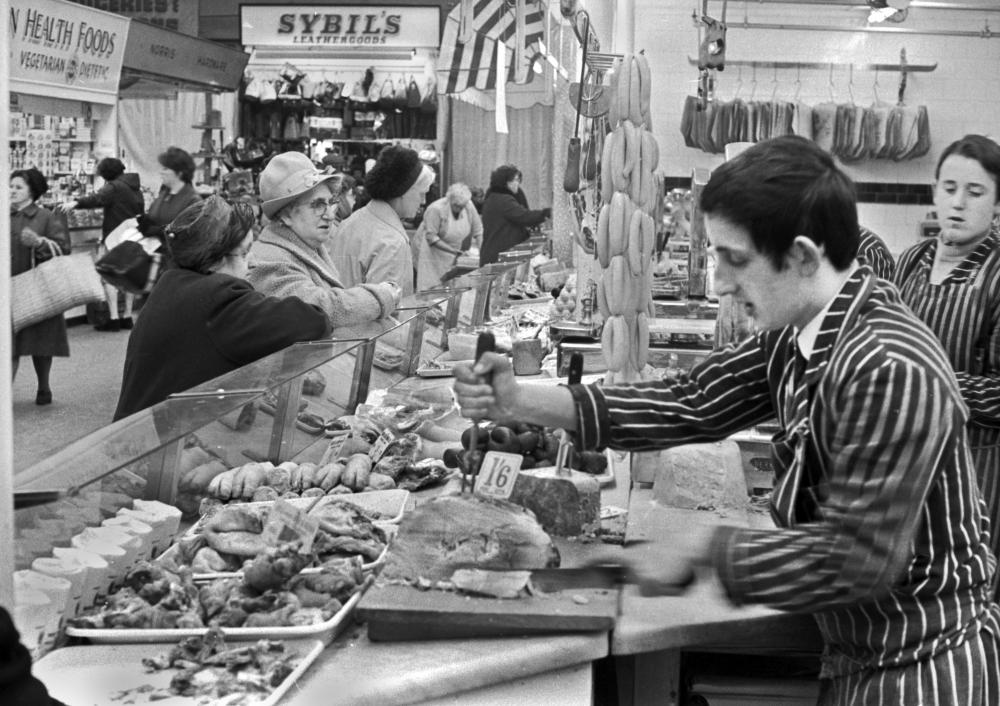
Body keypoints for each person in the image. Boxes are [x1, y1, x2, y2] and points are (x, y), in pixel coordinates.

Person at [454, 136, 1000, 703]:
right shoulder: (802, 331)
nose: (718, 282)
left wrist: (700, 557)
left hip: (922, 669)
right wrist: (517, 400)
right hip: (861, 650)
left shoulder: (886, 364)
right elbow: (693, 400)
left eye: (734, 259)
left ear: (803, 257)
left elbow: (855, 558)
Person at [113, 195, 330, 420]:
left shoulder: (173, 282)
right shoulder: (220, 299)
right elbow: (314, 322)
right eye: (245, 253)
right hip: (159, 442)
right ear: (213, 259)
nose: (254, 262)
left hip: (137, 429)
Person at [892, 134, 1000, 573]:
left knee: (960, 598)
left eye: (975, 192)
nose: (958, 202)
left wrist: (931, 388)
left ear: (996, 205)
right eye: (949, 188)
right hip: (901, 465)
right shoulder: (911, 262)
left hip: (973, 471)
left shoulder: (994, 275)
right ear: (935, 190)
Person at [246, 151, 401, 329]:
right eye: (318, 205)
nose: (329, 215)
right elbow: (318, 310)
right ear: (287, 214)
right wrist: (381, 296)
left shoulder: (306, 246)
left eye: (331, 202)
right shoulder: (270, 260)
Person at [329, 145, 435, 296]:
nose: (423, 201)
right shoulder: (391, 241)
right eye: (422, 193)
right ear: (404, 191)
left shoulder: (352, 221)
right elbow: (384, 311)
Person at [56, 157, 144, 331]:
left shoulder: (114, 187)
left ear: (106, 174)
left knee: (110, 277)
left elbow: (97, 198)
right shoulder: (136, 188)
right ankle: (127, 317)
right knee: (129, 277)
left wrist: (75, 202)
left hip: (115, 236)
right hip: (134, 236)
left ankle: (113, 319)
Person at [10, 168, 70, 406]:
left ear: (32, 191)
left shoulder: (46, 216)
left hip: (38, 286)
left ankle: (43, 385)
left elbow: (63, 248)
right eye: (11, 186)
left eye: (18, 187)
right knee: (9, 343)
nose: (12, 191)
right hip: (9, 287)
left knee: (41, 340)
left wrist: (39, 244)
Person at [137, 146, 202, 263]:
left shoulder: (193, 200)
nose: (161, 172)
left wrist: (159, 231)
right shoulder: (164, 194)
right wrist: (144, 222)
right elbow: (154, 217)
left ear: (180, 173)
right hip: (154, 258)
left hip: (176, 263)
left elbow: (190, 235)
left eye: (166, 168)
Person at [414, 183, 483, 291]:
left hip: (453, 252)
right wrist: (454, 251)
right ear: (449, 199)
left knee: (449, 287)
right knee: (430, 288)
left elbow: (478, 230)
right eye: (456, 206)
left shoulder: (468, 205)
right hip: (431, 252)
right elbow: (431, 238)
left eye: (462, 206)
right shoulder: (436, 209)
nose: (460, 209)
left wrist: (482, 251)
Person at [479, 164, 550, 265]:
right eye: (515, 180)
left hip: (492, 254)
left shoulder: (492, 197)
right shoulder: (504, 201)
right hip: (499, 257)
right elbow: (524, 216)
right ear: (505, 182)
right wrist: (546, 213)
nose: (518, 183)